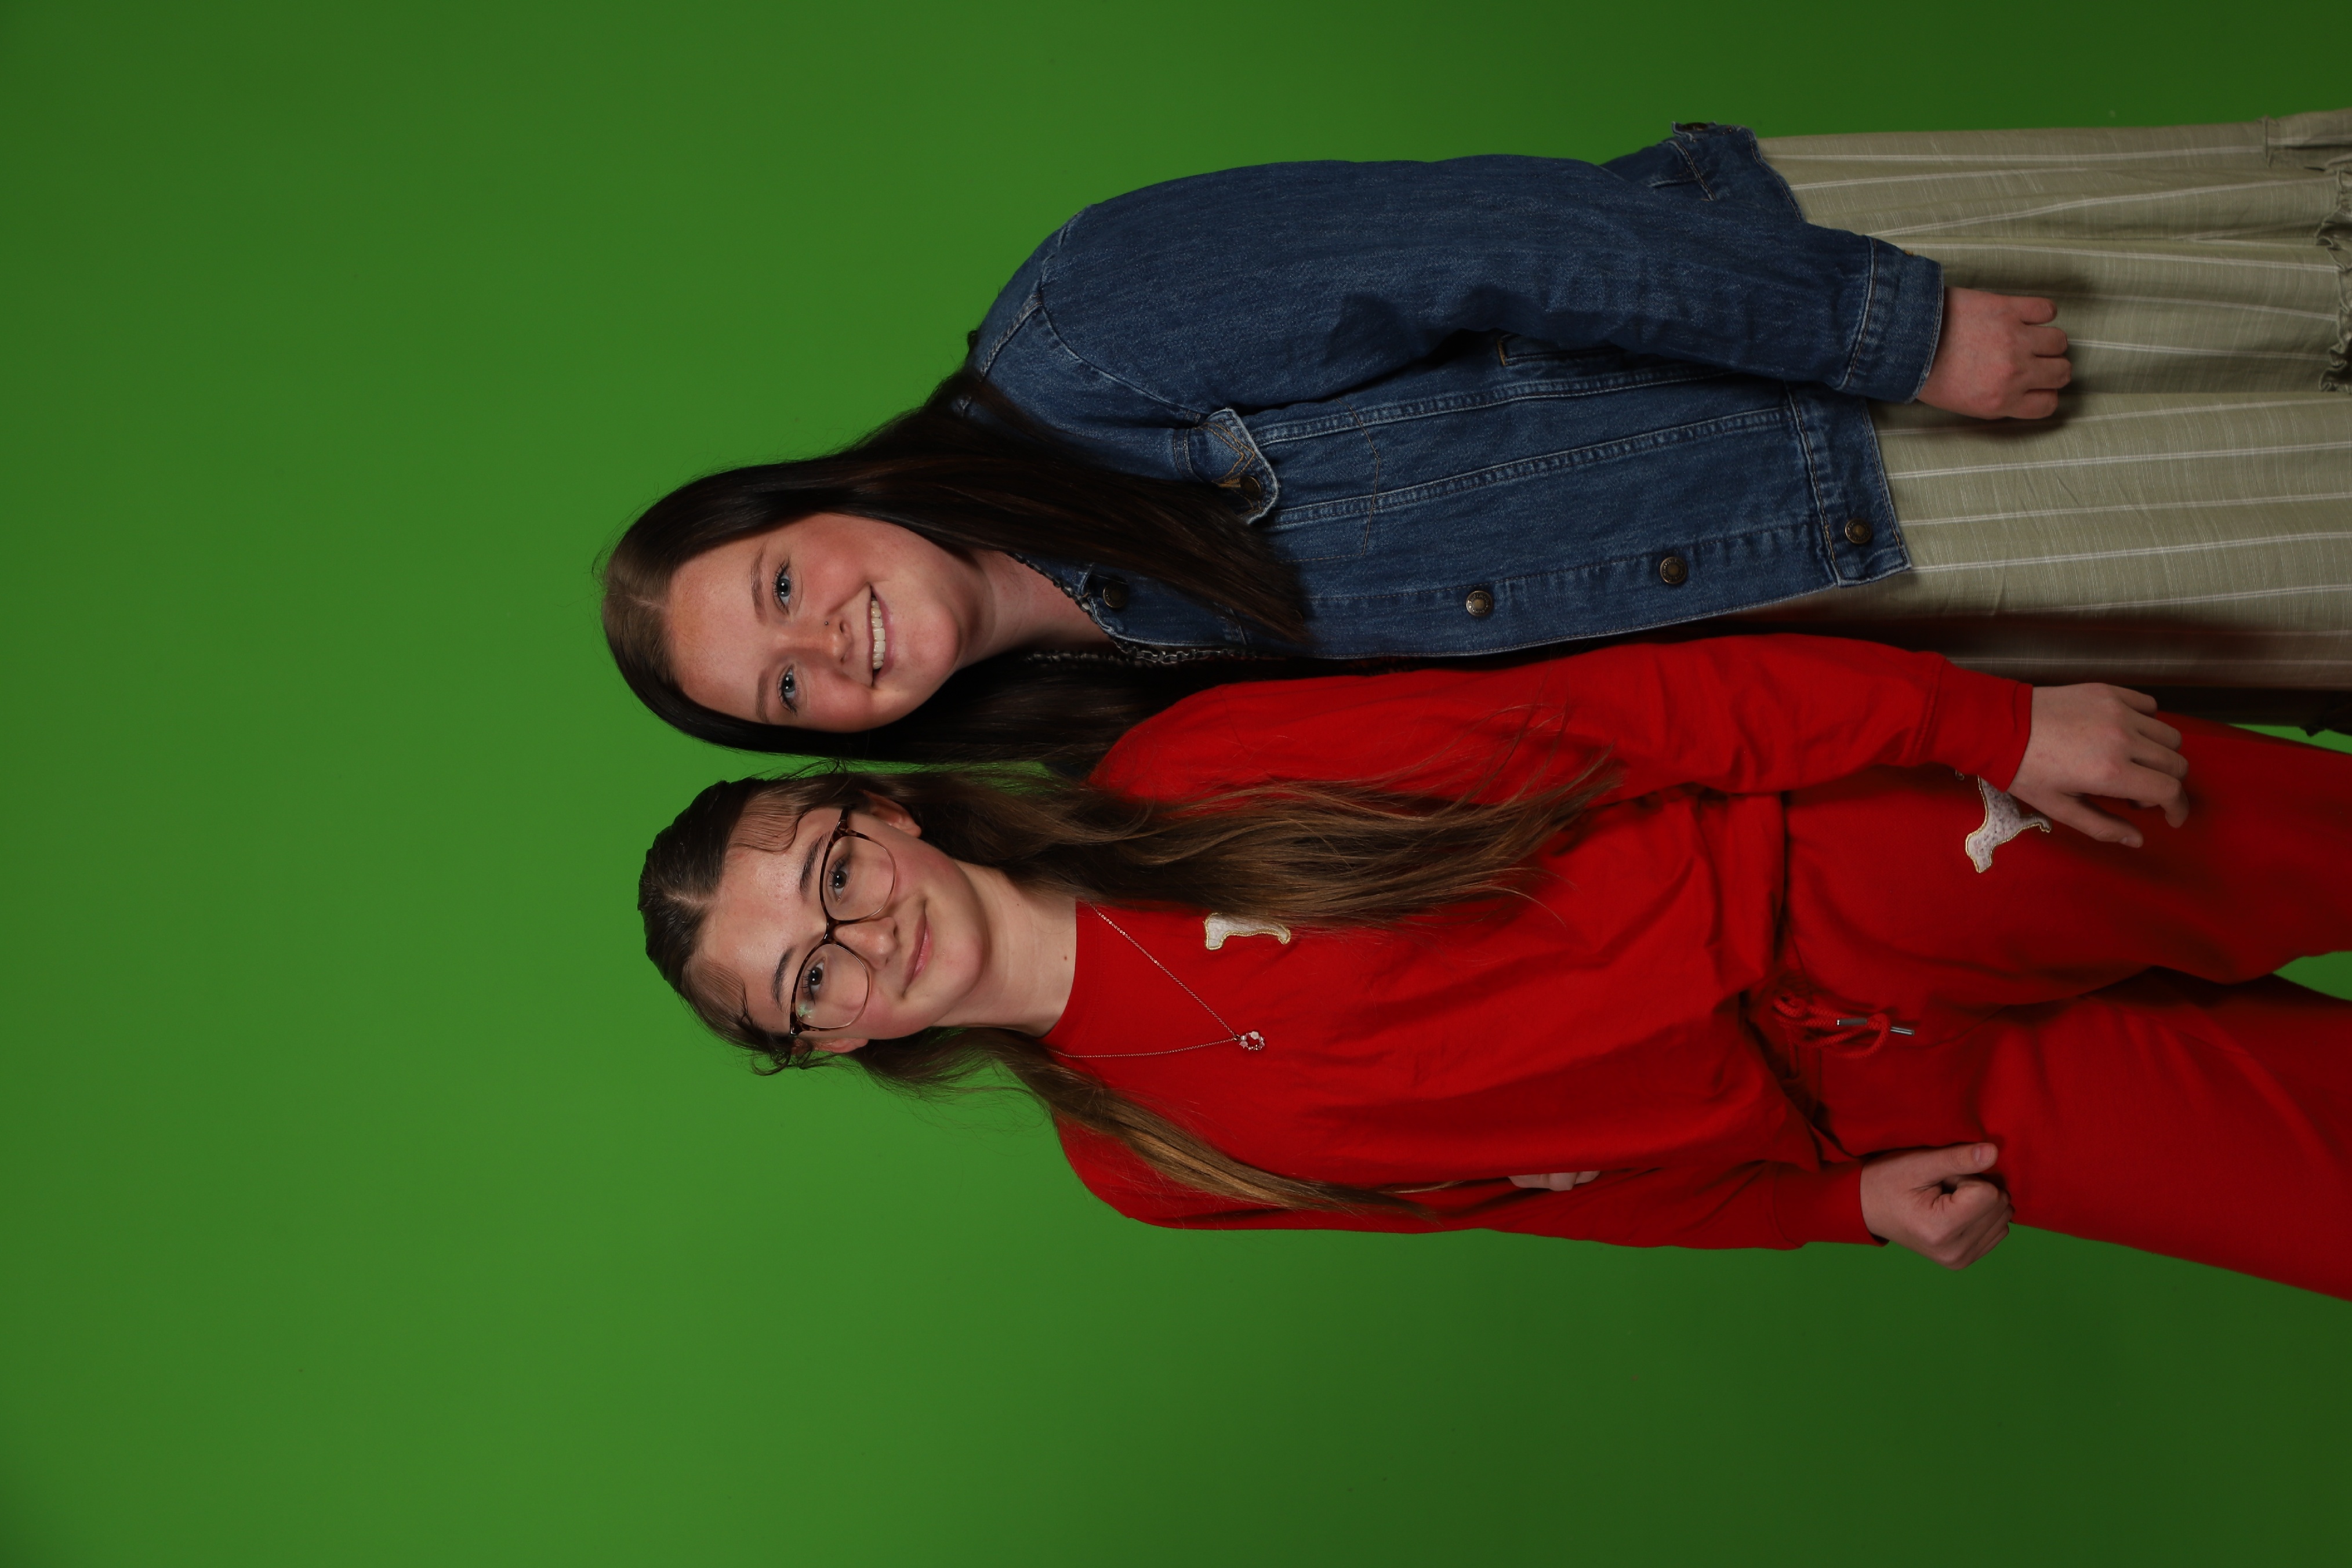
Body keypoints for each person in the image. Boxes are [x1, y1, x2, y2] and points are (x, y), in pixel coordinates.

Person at [602, 112, 2352, 768]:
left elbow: (1484, 233)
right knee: (2311, 568)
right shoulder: (1121, 709)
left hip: (1813, 366)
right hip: (1838, 580)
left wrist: (1885, 331)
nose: (828, 648)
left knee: (2297, 317)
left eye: (780, 588)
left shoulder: (1082, 335)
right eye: (785, 693)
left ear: (818, 497)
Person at [636, 635, 2352, 1298]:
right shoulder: (1137, 1165)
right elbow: (1525, 1197)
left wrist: (1977, 721)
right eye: (806, 984)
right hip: (1880, 1103)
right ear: (827, 1045)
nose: (862, 943)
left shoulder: (1180, 772)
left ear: (882, 812)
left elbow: (1607, 715)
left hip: (1865, 879)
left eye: (835, 875)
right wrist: (1832, 1210)